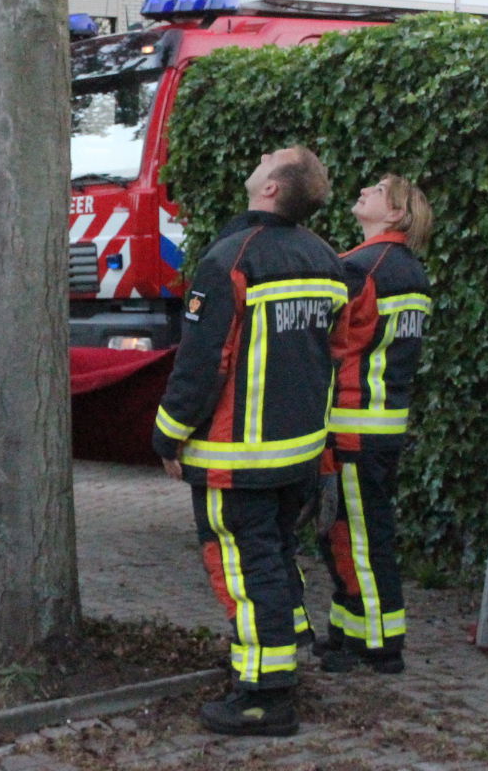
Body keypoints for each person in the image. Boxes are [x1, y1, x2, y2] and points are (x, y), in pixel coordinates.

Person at [150, 147, 349, 738]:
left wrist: (166, 433)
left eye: (270, 159)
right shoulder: (326, 259)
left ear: (271, 190)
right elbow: (334, 355)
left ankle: (264, 694)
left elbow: (203, 362)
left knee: (243, 569)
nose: (259, 158)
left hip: (235, 457)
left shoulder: (229, 261)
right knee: (274, 557)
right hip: (300, 453)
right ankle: (282, 647)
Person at [318, 175, 434, 675]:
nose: (363, 190)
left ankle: (382, 644)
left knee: (355, 536)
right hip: (382, 423)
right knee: (355, 533)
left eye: (379, 191)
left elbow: (326, 341)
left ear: (396, 215)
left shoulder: (359, 268)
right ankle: (348, 630)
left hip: (351, 423)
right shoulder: (411, 271)